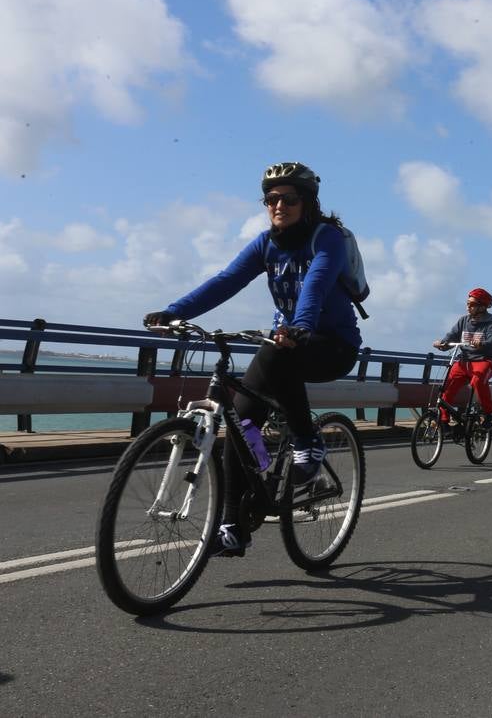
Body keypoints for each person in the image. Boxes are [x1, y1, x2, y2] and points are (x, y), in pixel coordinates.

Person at [143, 161, 361, 558]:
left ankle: (309, 444)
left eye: (289, 199)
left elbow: (317, 280)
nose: (279, 205)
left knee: (280, 356)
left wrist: (302, 325)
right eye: (271, 199)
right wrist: (175, 312)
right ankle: (232, 527)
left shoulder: (324, 238)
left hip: (331, 345)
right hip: (283, 341)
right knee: (240, 423)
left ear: (307, 202)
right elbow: (225, 280)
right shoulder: (265, 243)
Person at [433, 287, 492, 428]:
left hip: (485, 360)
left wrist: (482, 343)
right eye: (467, 303)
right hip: (465, 361)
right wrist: (442, 344)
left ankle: (489, 412)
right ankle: (443, 420)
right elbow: (451, 336)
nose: (468, 307)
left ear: (482, 307)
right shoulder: (463, 321)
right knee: (448, 385)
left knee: (477, 381)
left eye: (472, 304)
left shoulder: (491, 321)